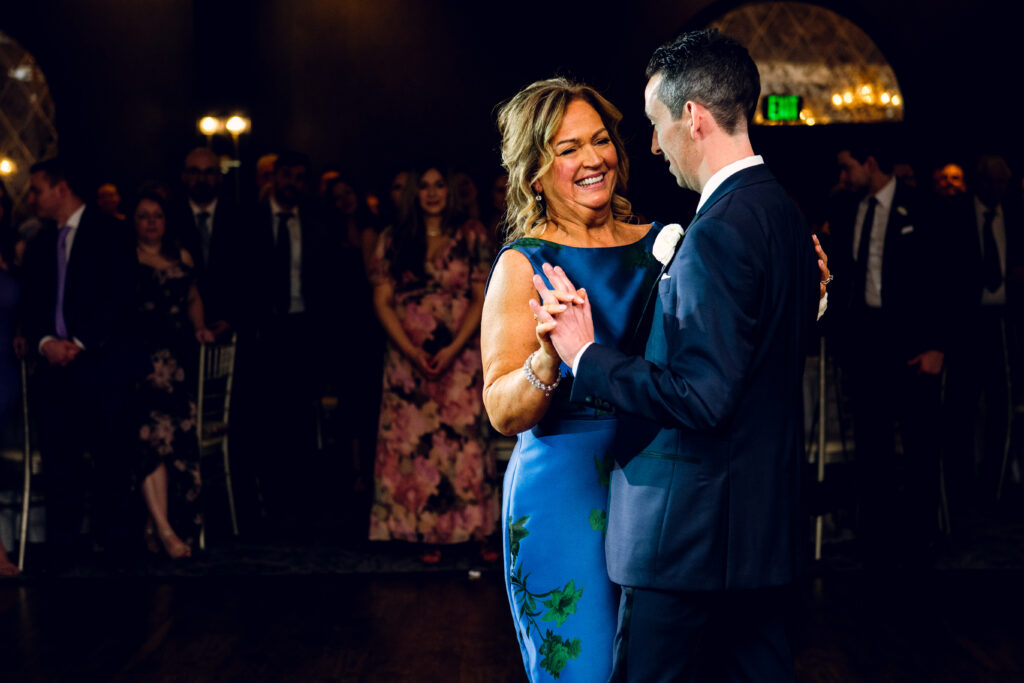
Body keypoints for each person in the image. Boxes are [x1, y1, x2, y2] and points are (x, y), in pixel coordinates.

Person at [533, 30, 821, 681]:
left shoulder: (718, 229)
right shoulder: (781, 211)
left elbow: (703, 394)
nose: (655, 146)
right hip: (759, 540)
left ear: (692, 115)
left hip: (686, 542)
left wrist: (587, 355)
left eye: (658, 124)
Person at [481, 78, 667, 682]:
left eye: (600, 140)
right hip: (560, 490)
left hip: (659, 481)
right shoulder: (523, 264)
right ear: (535, 171)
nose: (593, 159)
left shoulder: (662, 249)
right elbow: (502, 412)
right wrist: (546, 360)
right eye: (567, 149)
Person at [368, 164, 497, 563]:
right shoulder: (393, 239)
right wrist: (411, 351)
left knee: (464, 445)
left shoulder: (472, 235)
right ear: (413, 194)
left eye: (439, 184)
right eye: (423, 186)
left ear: (450, 191)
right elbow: (382, 300)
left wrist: (455, 346)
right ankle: (425, 533)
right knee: (415, 446)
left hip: (459, 358)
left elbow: (481, 297)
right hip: (408, 360)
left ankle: (475, 531)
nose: (432, 193)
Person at [20, 158, 143, 568]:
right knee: (60, 460)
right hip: (55, 368)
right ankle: (63, 550)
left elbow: (122, 296)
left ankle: (113, 550)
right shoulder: (39, 243)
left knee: (110, 457)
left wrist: (77, 342)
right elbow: (31, 305)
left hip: (102, 364)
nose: (31, 197)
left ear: (62, 188)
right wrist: (45, 344)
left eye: (37, 188)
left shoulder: (110, 232)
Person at [829, 141, 947, 565]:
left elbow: (942, 275)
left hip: (912, 341)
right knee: (871, 444)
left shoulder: (920, 205)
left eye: (847, 167)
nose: (843, 177)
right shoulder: (849, 209)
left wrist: (936, 344)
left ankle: (920, 538)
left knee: (919, 441)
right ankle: (876, 539)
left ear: (870, 162)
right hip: (867, 343)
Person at [132, 191, 214, 558]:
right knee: (152, 439)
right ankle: (164, 530)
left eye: (157, 215)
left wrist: (200, 329)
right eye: (144, 216)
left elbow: (194, 297)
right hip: (142, 362)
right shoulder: (126, 258)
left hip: (177, 359)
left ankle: (167, 525)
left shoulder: (181, 255)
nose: (151, 222)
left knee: (179, 440)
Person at [175, 147, 243, 335]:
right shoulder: (170, 218)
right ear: (184, 176)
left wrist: (233, 318)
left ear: (220, 177)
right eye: (195, 172)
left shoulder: (241, 218)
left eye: (209, 172)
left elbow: (252, 274)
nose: (202, 179)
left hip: (230, 325)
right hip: (180, 327)